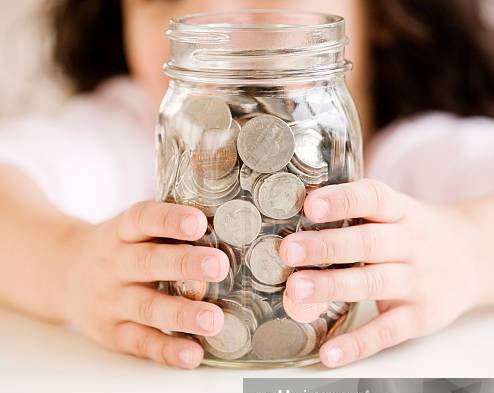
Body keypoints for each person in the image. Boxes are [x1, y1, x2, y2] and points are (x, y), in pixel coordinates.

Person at [0, 0, 493, 370]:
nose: (210, 18)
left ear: (384, 13)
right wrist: (65, 264)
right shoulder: (124, 131)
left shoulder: (419, 155)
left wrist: (468, 249)